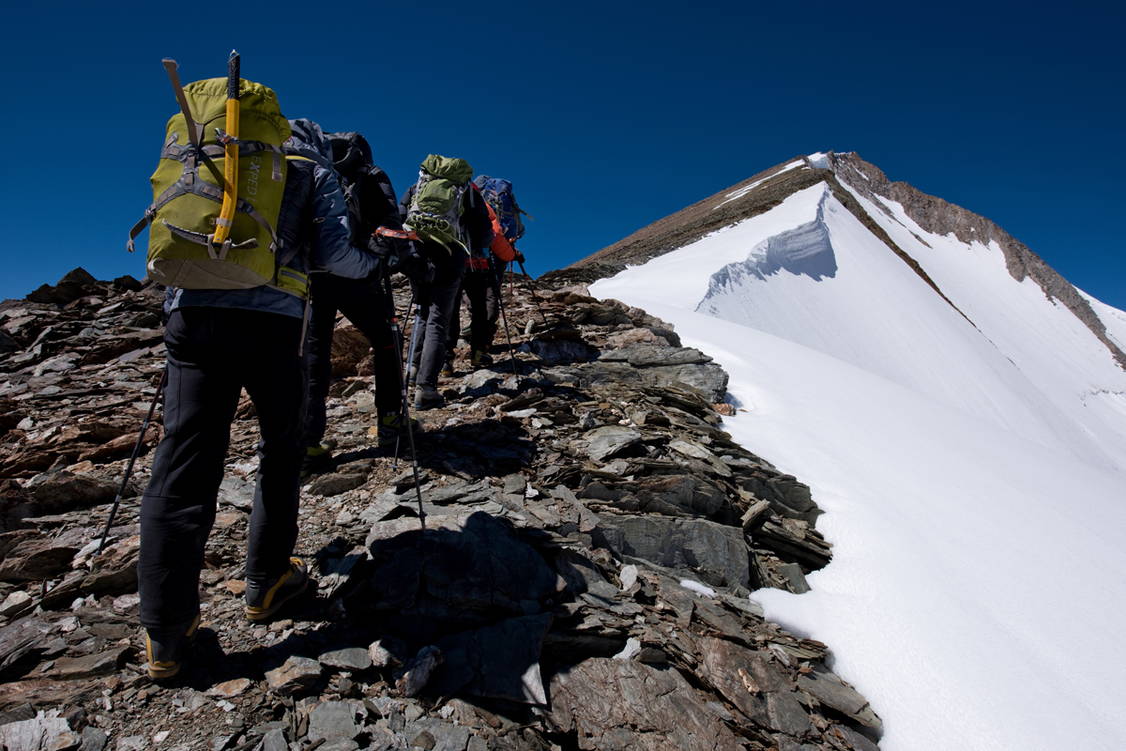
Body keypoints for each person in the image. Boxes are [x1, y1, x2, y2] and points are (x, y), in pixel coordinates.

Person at [138, 118, 381, 680]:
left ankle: (166, 636)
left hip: (191, 316)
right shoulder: (308, 169)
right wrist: (380, 264)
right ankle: (266, 583)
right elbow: (335, 255)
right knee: (280, 447)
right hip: (272, 323)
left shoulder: (208, 153)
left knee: (183, 461)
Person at [301, 131, 413, 474]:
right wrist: (382, 262)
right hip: (356, 273)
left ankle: (307, 445)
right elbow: (388, 223)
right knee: (385, 341)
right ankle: (391, 421)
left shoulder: (310, 169)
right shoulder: (370, 174)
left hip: (310, 274)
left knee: (314, 353)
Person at [400, 162, 493, 409]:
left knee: (421, 311)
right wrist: (474, 249)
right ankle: (426, 388)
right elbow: (484, 232)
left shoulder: (417, 186)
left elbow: (400, 216)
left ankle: (410, 370)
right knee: (438, 318)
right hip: (451, 256)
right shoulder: (467, 190)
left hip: (417, 252)